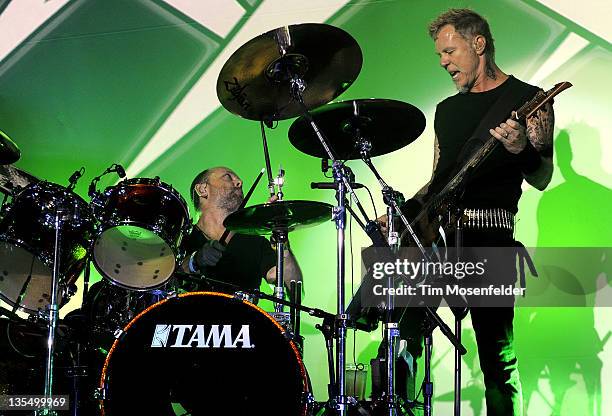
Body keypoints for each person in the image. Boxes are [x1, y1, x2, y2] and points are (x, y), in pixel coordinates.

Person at [379, 9, 554, 415]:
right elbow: (439, 179)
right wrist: (406, 213)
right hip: (441, 243)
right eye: (440, 55)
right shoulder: (446, 110)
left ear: (478, 45)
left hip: (491, 242)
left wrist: (519, 150)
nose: (444, 62)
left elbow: (543, 175)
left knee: (497, 362)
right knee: (401, 336)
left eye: (450, 51)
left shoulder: (530, 100)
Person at [181, 166, 302, 299]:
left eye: (237, 179)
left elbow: (295, 294)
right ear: (202, 189)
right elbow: (163, 281)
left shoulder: (255, 242)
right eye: (228, 177)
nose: (239, 182)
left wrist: (282, 240)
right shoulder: (181, 238)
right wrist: (195, 260)